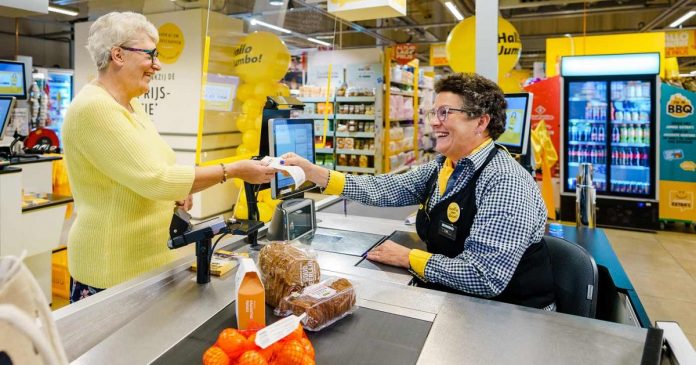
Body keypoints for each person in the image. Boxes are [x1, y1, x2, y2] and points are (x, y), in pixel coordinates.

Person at [283, 73, 555, 310]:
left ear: (481, 122)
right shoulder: (445, 167)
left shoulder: (505, 182)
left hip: (511, 315)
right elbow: (384, 189)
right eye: (433, 113)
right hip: (462, 302)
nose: (434, 123)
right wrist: (314, 173)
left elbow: (483, 275)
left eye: (445, 113)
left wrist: (408, 257)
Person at [62, 12, 276, 303]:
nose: (157, 65)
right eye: (151, 54)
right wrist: (234, 169)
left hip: (146, 261)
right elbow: (157, 180)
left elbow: (154, 169)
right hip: (110, 267)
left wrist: (178, 193)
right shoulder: (93, 109)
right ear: (118, 55)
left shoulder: (131, 107)